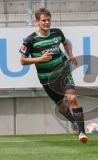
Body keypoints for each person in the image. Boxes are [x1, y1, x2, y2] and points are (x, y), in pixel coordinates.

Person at [19, 8, 88, 143]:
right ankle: (73, 121)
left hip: (63, 71)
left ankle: (82, 132)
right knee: (61, 106)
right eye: (43, 20)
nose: (46, 22)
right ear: (38, 22)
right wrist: (39, 59)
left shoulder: (57, 32)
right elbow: (22, 61)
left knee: (72, 98)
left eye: (48, 20)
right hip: (47, 79)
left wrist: (70, 54)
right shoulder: (30, 40)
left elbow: (65, 42)